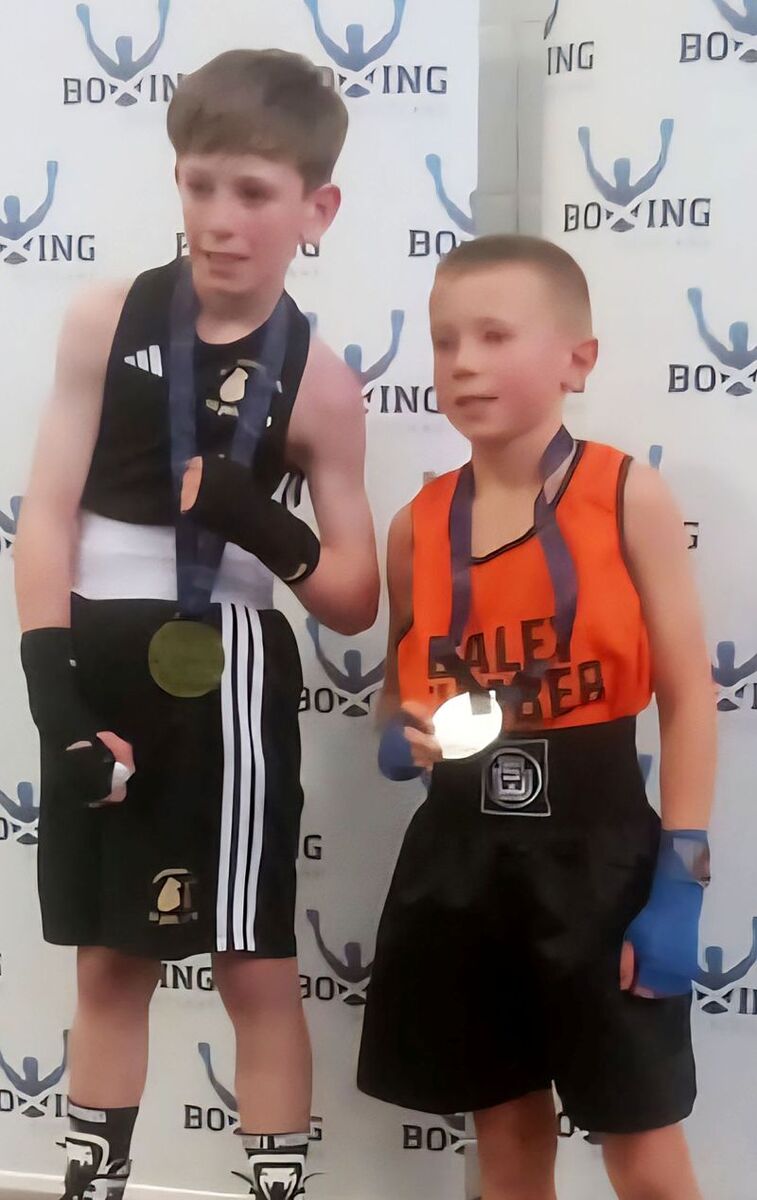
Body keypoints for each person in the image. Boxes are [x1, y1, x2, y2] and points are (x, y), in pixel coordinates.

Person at [15, 48, 378, 1200]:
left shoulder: (320, 381)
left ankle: (274, 1187)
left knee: (256, 966)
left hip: (231, 673)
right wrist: (56, 702)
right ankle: (94, 1184)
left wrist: (251, 523)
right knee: (108, 961)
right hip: (97, 665)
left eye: (254, 193)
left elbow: (354, 600)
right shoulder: (101, 316)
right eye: (199, 184)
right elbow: (45, 518)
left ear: (317, 209)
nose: (219, 220)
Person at [358, 235, 715, 1200]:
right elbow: (402, 685)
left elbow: (688, 698)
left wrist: (680, 881)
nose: (462, 362)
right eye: (442, 342)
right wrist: (399, 736)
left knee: (639, 1142)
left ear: (576, 359)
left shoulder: (624, 494)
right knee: (506, 1140)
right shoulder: (417, 522)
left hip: (598, 857)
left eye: (492, 335)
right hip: (462, 859)